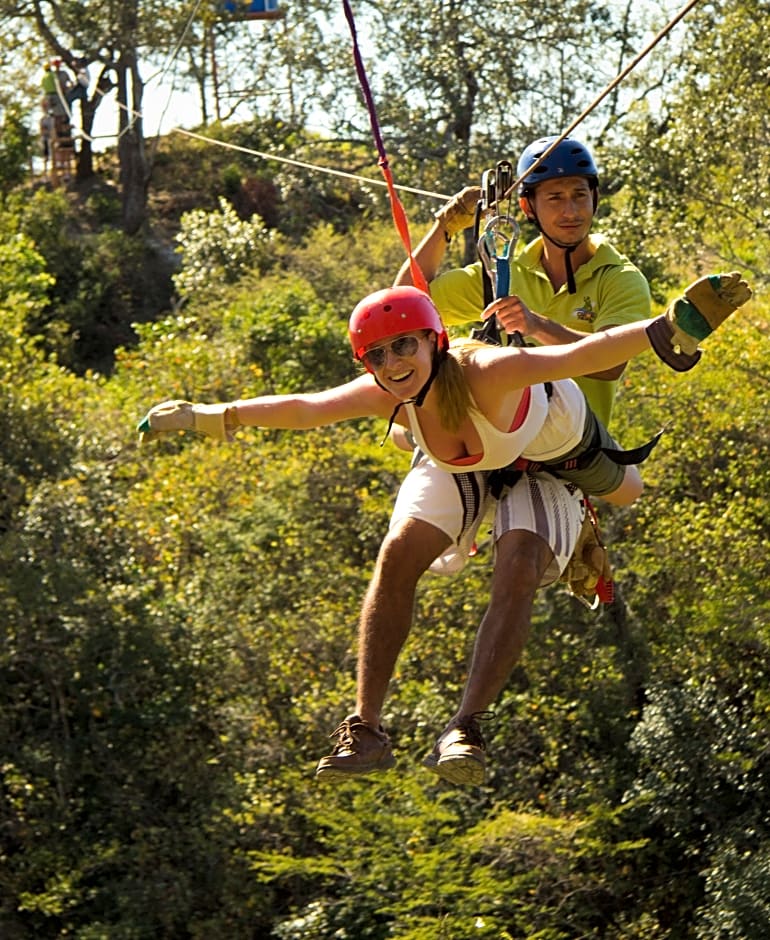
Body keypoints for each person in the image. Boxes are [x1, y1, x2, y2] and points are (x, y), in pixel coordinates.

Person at [137, 274, 751, 784]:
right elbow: (306, 408)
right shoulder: (390, 395)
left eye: (403, 346)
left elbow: (578, 356)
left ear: (434, 341)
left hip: (554, 462)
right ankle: (365, 729)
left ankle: (466, 728)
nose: (391, 364)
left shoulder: (487, 369)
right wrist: (209, 416)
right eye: (376, 356)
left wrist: (665, 330)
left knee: (538, 552)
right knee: (398, 552)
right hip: (466, 463)